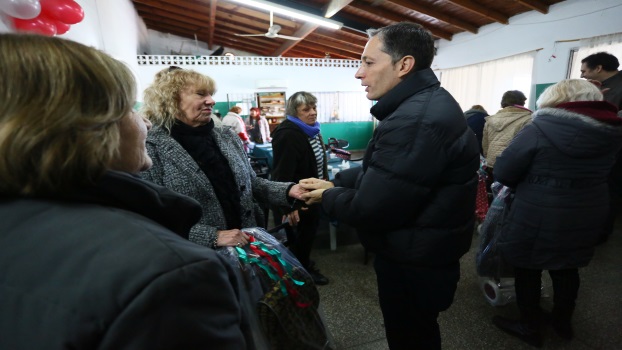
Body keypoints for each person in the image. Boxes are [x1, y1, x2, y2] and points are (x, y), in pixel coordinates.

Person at [0, 34, 250, 349]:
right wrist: (210, 238)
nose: (141, 121)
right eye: (130, 108)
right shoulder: (172, 273)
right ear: (93, 125)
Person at [299, 22, 479, 349]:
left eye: (368, 62)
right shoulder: (424, 104)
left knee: (410, 336)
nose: (358, 73)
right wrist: (337, 181)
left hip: (415, 259)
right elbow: (394, 175)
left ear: (403, 65)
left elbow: (372, 208)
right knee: (420, 331)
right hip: (427, 248)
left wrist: (328, 196)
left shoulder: (414, 120)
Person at [491, 79, 622, 347]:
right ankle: (562, 323)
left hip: (539, 208)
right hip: (589, 207)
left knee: (527, 266)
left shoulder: (539, 128)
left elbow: (505, 170)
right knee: (567, 265)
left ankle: (529, 326)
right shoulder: (612, 130)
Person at [140, 68, 305, 250]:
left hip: (247, 245)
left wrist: (290, 190)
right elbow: (150, 215)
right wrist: (211, 236)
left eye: (211, 94)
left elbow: (252, 183)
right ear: (170, 100)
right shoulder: (150, 146)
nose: (211, 101)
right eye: (201, 94)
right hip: (197, 258)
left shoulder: (226, 136)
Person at [271, 91, 329, 285]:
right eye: (306, 109)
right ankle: (300, 275)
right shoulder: (288, 134)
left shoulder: (311, 129)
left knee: (307, 235)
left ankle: (301, 265)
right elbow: (281, 174)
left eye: (314, 108)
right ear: (295, 113)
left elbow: (318, 164)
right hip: (299, 199)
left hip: (313, 194)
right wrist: (289, 206)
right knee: (300, 238)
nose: (313, 112)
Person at [580, 52, 622, 242]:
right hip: (597, 145)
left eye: (584, 71)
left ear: (598, 68)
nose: (582, 75)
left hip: (615, 148)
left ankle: (600, 233)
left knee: (608, 189)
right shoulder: (599, 87)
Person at [482, 90, 532, 185]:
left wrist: (489, 158)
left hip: (492, 163)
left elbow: (485, 145)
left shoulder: (490, 119)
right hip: (513, 165)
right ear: (522, 102)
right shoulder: (528, 119)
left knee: (496, 194)